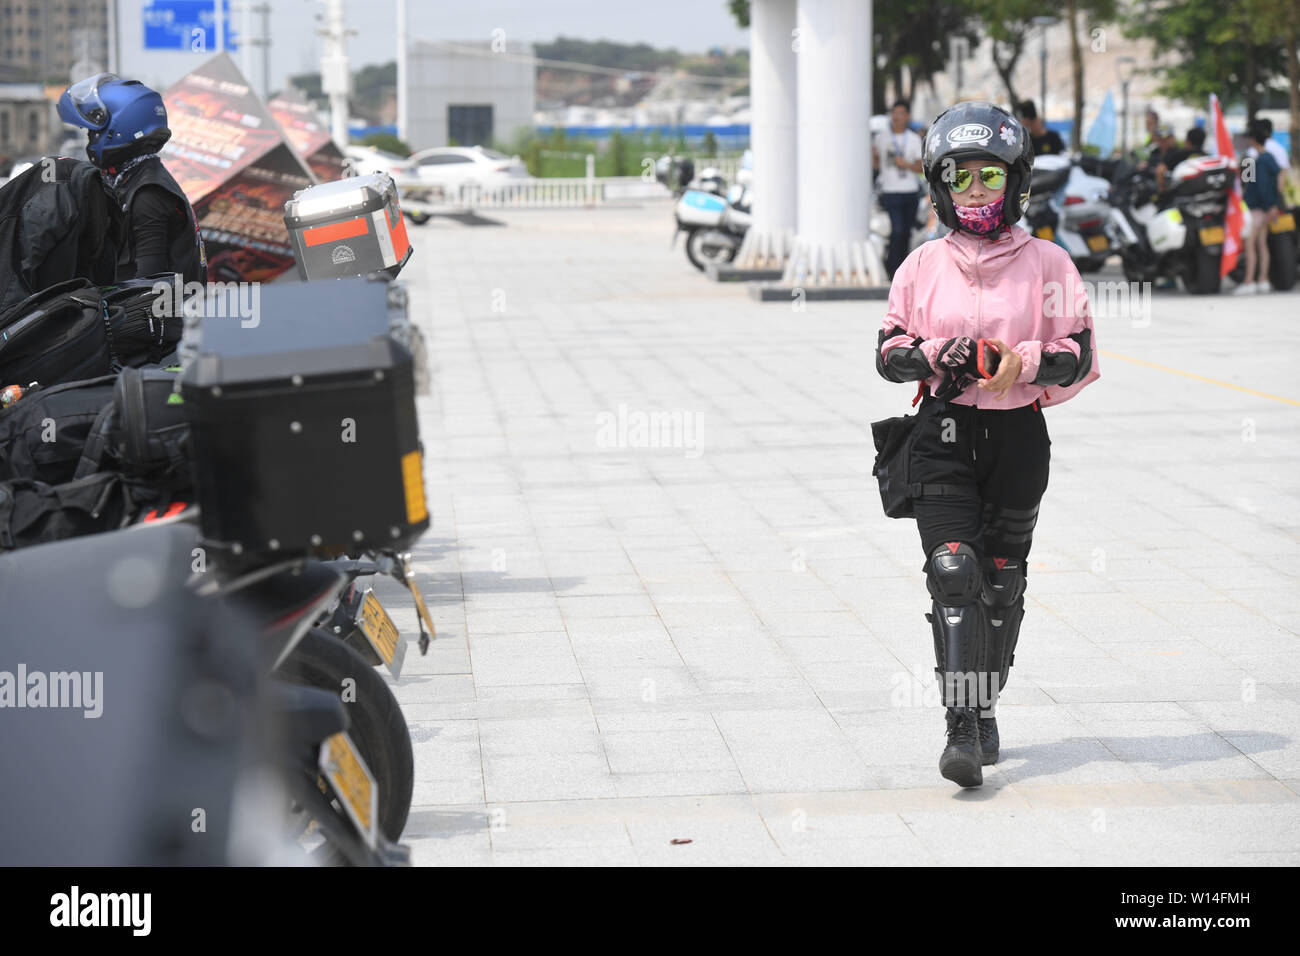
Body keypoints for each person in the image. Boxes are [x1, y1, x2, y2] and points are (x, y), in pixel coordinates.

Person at [876, 101, 1100, 788]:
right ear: (940, 185)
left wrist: (1024, 361)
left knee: (1000, 583)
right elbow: (888, 352)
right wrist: (941, 350)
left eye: (990, 177)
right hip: (941, 432)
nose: (976, 190)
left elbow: (1082, 352)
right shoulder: (920, 266)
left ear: (1016, 182)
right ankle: (962, 729)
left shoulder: (1050, 263)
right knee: (953, 571)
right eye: (961, 177)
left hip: (1017, 439)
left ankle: (985, 701)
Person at [57, 73, 206, 285]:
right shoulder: (140, 179)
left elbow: (146, 284)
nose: (90, 140)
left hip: (155, 316)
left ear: (119, 129)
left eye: (93, 133)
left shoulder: (148, 194)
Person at [873, 100, 925, 278]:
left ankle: (904, 269)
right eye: (894, 113)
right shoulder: (882, 138)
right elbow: (874, 160)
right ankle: (892, 268)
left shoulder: (914, 139)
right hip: (890, 190)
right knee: (897, 230)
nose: (897, 117)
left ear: (907, 116)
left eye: (901, 113)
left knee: (906, 232)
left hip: (910, 191)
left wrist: (905, 164)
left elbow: (920, 168)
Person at [1237, 119, 1282, 295]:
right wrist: (1273, 205)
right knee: (1262, 245)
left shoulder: (1254, 159)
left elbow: (1249, 185)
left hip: (1256, 208)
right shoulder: (1270, 158)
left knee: (1250, 245)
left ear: (1253, 140)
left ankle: (1249, 281)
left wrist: (1266, 205)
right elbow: (1275, 184)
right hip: (1267, 208)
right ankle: (1263, 279)